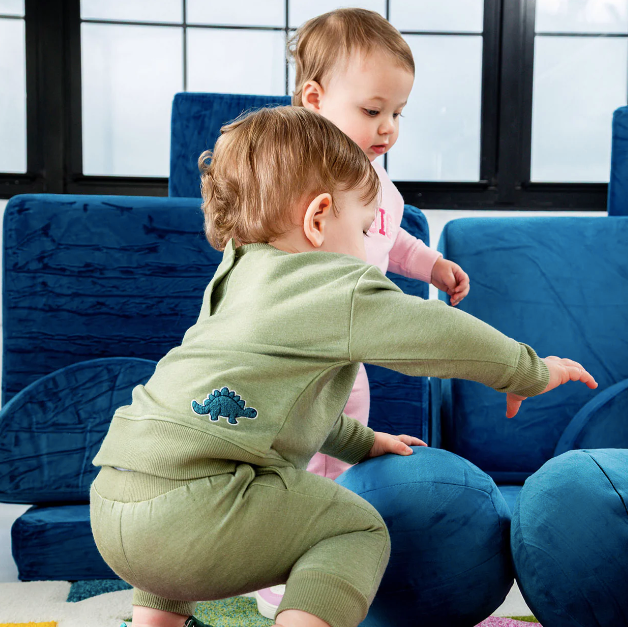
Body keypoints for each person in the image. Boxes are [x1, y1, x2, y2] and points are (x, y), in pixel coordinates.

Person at [90, 106, 597, 627]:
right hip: (197, 513)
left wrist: (362, 442)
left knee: (183, 499)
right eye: (364, 228)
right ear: (318, 219)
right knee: (355, 528)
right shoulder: (335, 283)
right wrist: (529, 372)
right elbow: (439, 333)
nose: (369, 245)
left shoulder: (235, 273)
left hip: (115, 504)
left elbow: (273, 406)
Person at [255, 9, 470, 613]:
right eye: (373, 111)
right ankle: (275, 571)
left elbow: (390, 239)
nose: (388, 128)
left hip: (347, 353)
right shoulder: (295, 176)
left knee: (341, 456)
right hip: (294, 350)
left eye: (398, 113)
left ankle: (324, 559)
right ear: (315, 100)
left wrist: (431, 265)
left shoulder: (378, 183)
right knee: (291, 457)